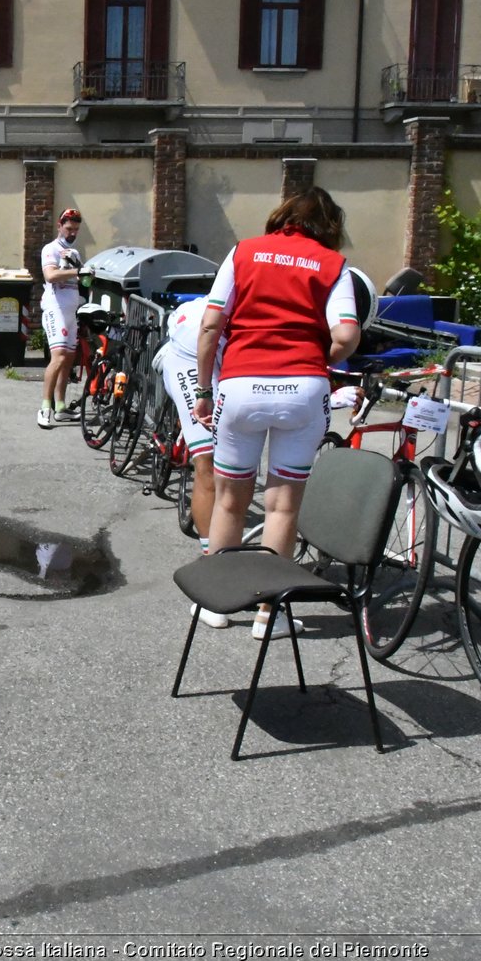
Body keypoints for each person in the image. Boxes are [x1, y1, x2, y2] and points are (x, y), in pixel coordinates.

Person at [193, 187, 362, 640]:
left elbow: (210, 325)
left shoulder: (243, 252)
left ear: (282, 216)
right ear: (330, 225)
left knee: (232, 497)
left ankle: (217, 605)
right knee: (282, 505)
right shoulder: (332, 265)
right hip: (303, 388)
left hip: (240, 384)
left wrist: (204, 389)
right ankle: (271, 612)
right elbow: (346, 334)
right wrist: (324, 357)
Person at [154, 296, 227, 628]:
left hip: (223, 353)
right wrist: (203, 393)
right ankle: (212, 571)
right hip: (192, 353)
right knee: (209, 464)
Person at [37, 208, 84, 428]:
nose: (72, 233)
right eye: (69, 228)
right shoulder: (51, 249)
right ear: (59, 226)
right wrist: (78, 272)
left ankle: (61, 406)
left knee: (69, 359)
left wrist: (86, 276)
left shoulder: (74, 253)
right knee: (58, 356)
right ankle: (46, 406)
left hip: (71, 309)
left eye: (75, 229)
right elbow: (51, 275)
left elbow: (83, 281)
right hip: (55, 308)